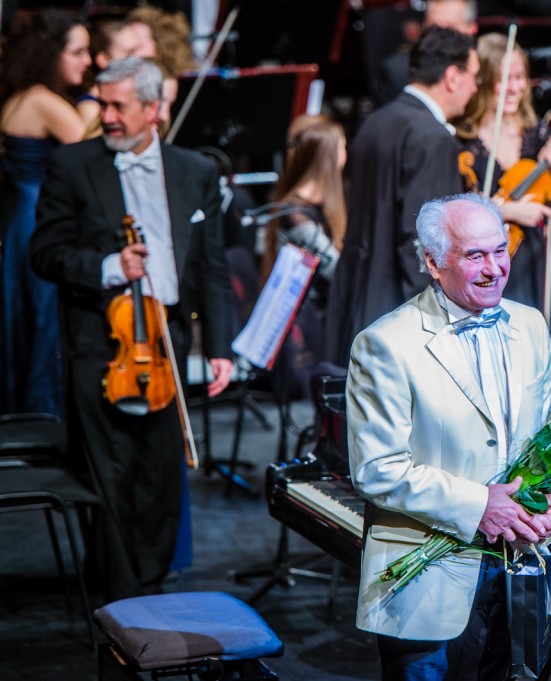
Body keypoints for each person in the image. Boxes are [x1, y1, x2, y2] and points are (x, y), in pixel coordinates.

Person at [30, 57, 234, 602]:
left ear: (153, 109)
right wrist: (109, 266)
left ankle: (149, 585)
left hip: (168, 343)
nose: (107, 116)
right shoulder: (73, 166)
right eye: (104, 104)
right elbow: (44, 253)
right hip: (102, 343)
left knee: (162, 480)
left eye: (119, 106)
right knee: (111, 479)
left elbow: (212, 266)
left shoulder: (195, 171)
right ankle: (119, 600)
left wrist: (221, 347)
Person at [346, 192, 551, 680]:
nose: (494, 269)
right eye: (474, 256)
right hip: (427, 582)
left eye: (500, 250)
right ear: (433, 262)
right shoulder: (385, 344)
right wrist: (479, 505)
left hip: (518, 569)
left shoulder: (531, 325)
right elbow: (377, 469)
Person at [324, 26, 478, 368]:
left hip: (357, 298)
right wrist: (433, 327)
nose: (475, 87)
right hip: (399, 313)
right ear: (452, 77)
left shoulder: (375, 122)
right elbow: (421, 243)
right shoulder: (433, 138)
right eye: (474, 76)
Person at [1, 9, 91, 416]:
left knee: (27, 319)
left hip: (20, 218)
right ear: (52, 52)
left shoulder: (19, 96)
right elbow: (88, 153)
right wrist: (93, 102)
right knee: (43, 322)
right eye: (78, 52)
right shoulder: (42, 100)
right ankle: (44, 413)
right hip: (38, 220)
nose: (87, 61)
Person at [454, 33, 551, 342]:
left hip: (533, 257)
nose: (516, 87)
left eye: (520, 78)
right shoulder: (463, 140)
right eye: (505, 79)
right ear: (483, 81)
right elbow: (459, 208)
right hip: (489, 264)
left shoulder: (535, 133)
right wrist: (509, 210)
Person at [261, 114, 347, 392]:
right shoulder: (295, 214)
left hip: (321, 316)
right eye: (342, 146)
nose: (346, 153)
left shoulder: (317, 206)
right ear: (328, 156)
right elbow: (336, 269)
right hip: (306, 327)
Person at [372, 0, 479, 107]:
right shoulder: (398, 73)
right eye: (433, 28)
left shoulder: (485, 68)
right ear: (423, 27)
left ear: (472, 29)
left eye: (450, 30)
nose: (440, 37)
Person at [77, 18, 143, 133]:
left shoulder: (139, 94)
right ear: (104, 60)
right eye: (129, 53)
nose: (138, 59)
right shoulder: (91, 108)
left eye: (137, 51)